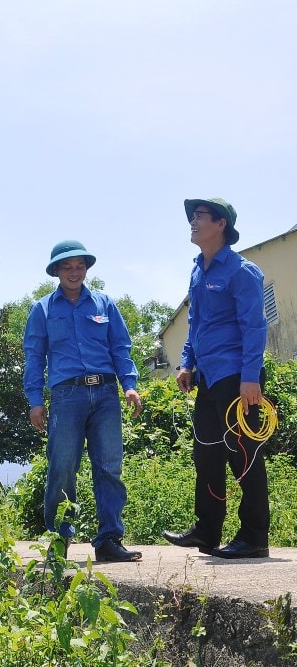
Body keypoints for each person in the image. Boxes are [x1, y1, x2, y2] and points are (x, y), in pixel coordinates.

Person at [23, 240, 143, 563]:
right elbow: (34, 358)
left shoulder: (105, 304)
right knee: (62, 467)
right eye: (67, 266)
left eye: (80, 266)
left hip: (105, 394)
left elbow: (121, 348)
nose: (74, 272)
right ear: (56, 272)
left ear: (87, 268)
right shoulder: (43, 310)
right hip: (66, 395)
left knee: (109, 467)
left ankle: (109, 540)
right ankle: (60, 541)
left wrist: (129, 386)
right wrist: (36, 401)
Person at [163, 198, 269, 560]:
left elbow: (254, 326)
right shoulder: (197, 270)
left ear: (220, 224)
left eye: (199, 217)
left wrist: (251, 377)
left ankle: (254, 536)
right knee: (206, 454)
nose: (192, 222)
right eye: (192, 217)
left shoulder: (242, 271)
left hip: (239, 377)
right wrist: (186, 363)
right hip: (207, 377)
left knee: (243, 454)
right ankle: (207, 531)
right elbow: (196, 325)